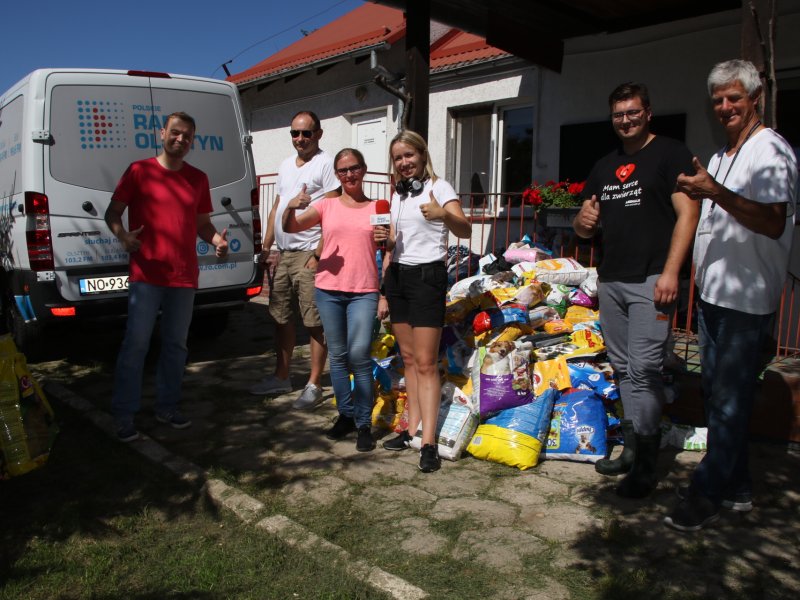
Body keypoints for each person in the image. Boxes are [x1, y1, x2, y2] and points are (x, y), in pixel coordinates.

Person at [665, 59, 798, 532]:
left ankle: (708, 492)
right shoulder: (722, 154)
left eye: (734, 98)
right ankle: (737, 487)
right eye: (718, 100)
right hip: (713, 296)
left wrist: (715, 192)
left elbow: (773, 221)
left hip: (746, 300)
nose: (725, 107)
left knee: (728, 401)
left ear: (755, 99)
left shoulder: (771, 150)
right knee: (719, 394)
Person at [573, 83, 699, 497]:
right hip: (612, 279)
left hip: (652, 280)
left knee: (645, 369)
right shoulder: (604, 166)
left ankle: (646, 463)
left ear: (648, 113)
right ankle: (631, 449)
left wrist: (671, 273)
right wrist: (582, 223)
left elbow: (688, 213)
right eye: (618, 114)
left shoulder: (670, 153)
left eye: (632, 112)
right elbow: (584, 223)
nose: (625, 120)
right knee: (624, 368)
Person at [105, 111, 229, 442]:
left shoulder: (198, 178)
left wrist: (217, 242)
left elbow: (203, 224)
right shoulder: (139, 171)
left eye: (187, 135)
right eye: (175, 132)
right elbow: (113, 212)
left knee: (176, 346)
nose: (180, 139)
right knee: (136, 344)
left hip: (183, 277)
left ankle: (167, 406)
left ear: (192, 140)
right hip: (146, 274)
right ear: (162, 133)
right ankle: (124, 414)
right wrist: (123, 236)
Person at [375, 130, 471, 473]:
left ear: (421, 154)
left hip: (428, 278)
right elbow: (396, 244)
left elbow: (465, 229)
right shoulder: (398, 195)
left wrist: (443, 214)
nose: (404, 163)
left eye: (409, 155)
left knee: (427, 363)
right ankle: (411, 430)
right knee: (410, 359)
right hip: (398, 277)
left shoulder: (439, 188)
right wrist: (385, 241)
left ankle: (428, 443)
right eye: (398, 158)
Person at [282, 148, 390, 451]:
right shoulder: (326, 205)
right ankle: (346, 415)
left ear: (363, 169)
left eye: (354, 168)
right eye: (343, 171)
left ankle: (364, 423)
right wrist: (290, 207)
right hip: (329, 290)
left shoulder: (378, 207)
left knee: (359, 355)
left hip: (364, 291)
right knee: (339, 356)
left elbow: (391, 248)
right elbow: (290, 227)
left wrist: (384, 291)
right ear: (337, 175)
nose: (349, 175)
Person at [249, 111, 339, 409]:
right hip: (285, 254)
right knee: (280, 317)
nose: (300, 139)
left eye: (306, 133)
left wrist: (318, 254)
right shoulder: (286, 165)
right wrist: (266, 246)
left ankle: (314, 384)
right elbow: (277, 207)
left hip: (309, 253)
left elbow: (334, 212)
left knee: (314, 322)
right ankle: (282, 376)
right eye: (295, 133)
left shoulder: (325, 164)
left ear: (318, 134)